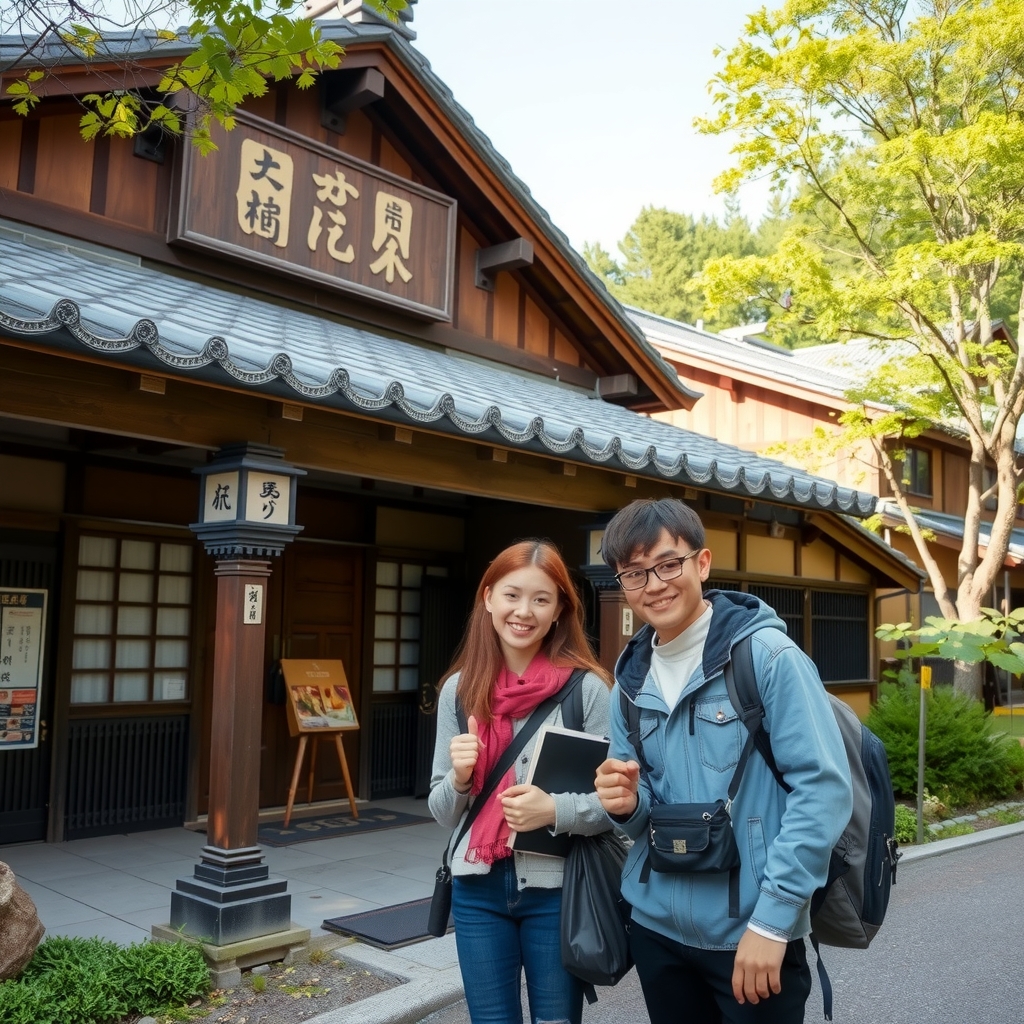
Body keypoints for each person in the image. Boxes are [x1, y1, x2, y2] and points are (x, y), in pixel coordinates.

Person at [594, 498, 853, 1024]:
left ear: (702, 563)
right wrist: (624, 804)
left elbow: (823, 792)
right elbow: (645, 813)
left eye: (669, 564)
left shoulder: (767, 659)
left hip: (752, 932)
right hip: (656, 930)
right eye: (635, 573)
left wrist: (774, 922)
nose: (655, 584)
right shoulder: (628, 681)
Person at [429, 539, 612, 1024]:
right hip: (476, 889)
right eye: (511, 595)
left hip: (557, 891)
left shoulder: (587, 690)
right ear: (488, 597)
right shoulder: (459, 690)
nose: (523, 611)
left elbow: (617, 806)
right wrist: (462, 778)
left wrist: (555, 811)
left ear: (559, 612)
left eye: (541, 599)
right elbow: (444, 811)